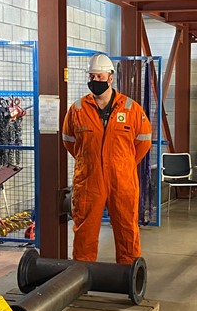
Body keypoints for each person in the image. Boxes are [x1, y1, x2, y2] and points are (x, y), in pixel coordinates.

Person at [62, 53, 152, 264]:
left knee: (127, 227)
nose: (95, 81)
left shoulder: (131, 109)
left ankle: (128, 274)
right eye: (92, 77)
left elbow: (144, 142)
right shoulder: (77, 110)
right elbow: (69, 142)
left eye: (99, 77)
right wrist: (89, 161)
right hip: (89, 180)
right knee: (85, 229)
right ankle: (81, 276)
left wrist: (124, 162)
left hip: (122, 179)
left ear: (110, 78)